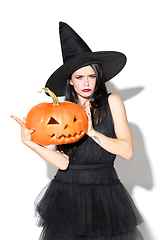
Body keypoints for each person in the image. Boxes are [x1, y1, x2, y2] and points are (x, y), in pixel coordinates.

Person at [12, 22, 144, 240]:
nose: (86, 83)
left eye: (91, 76)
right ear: (70, 82)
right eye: (79, 77)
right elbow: (63, 162)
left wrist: (92, 132)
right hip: (67, 192)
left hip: (105, 191)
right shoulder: (62, 112)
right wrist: (30, 142)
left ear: (99, 77)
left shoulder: (113, 102)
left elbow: (127, 151)